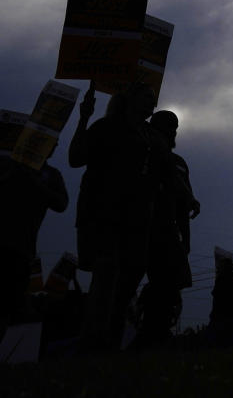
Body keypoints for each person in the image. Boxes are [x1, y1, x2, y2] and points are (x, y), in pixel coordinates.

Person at [69, 82, 170, 352]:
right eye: (147, 96)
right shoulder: (105, 128)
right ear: (130, 99)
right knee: (107, 271)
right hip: (103, 213)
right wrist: (84, 118)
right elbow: (76, 157)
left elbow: (166, 172)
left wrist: (184, 196)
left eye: (153, 98)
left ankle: (110, 338)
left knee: (130, 276)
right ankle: (93, 340)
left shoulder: (152, 137)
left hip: (137, 219)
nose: (152, 102)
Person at [0, 151, 68, 366]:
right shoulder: (1, 163)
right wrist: (5, 178)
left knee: (2, 306)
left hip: (20, 248)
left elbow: (61, 204)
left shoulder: (50, 174)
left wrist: (35, 184)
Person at [134, 110, 200, 347]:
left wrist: (186, 241)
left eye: (175, 127)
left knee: (170, 286)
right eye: (168, 127)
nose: (173, 132)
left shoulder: (179, 164)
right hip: (143, 226)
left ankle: (157, 332)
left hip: (168, 230)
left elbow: (184, 204)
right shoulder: (145, 153)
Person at [207, 250, 233, 347]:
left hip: (222, 320)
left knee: (213, 346)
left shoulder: (221, 280)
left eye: (219, 267)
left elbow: (217, 300)